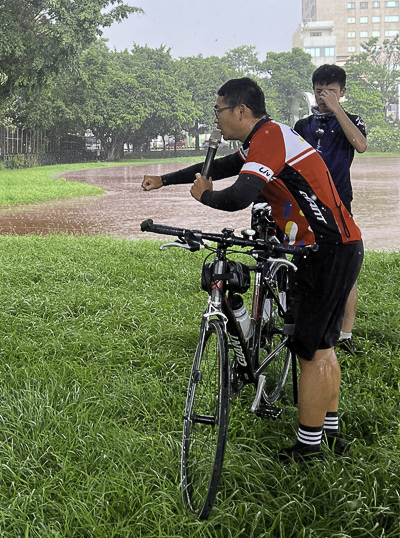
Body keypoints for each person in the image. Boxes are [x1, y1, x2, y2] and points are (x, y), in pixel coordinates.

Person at [141, 78, 364, 461]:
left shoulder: (271, 138)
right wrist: (165, 179)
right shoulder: (262, 139)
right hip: (333, 247)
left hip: (326, 250)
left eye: (219, 111)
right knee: (323, 348)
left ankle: (309, 449)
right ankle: (328, 434)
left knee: (310, 352)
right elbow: (225, 166)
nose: (216, 119)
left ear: (241, 111)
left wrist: (205, 196)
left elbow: (239, 195)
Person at [293, 64, 367, 353]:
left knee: (344, 269)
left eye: (331, 91)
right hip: (304, 206)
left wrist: (337, 110)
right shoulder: (302, 126)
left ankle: (345, 335)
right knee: (306, 266)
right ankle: (307, 324)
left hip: (338, 204)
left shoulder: (352, 120)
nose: (324, 97)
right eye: (319, 91)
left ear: (343, 92)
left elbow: (360, 145)